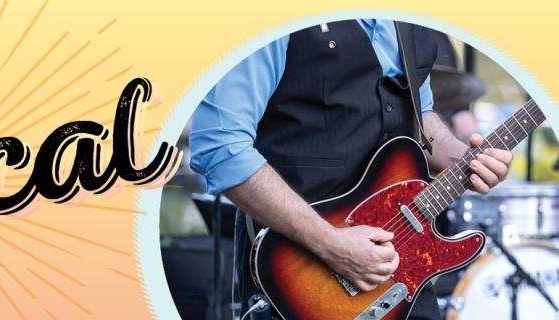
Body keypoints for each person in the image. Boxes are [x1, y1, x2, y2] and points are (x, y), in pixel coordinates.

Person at [188, 19, 512, 319]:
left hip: (406, 274)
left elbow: (420, 115)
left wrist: (464, 158)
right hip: (303, 279)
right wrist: (331, 244)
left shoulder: (406, 21)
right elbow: (220, 147)